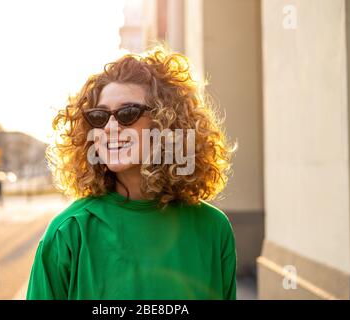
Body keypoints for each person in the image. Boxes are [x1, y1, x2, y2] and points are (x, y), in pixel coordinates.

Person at [26, 45, 238, 300]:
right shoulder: (69, 232)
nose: (111, 127)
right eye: (99, 116)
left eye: (128, 113)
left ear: (165, 121)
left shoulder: (213, 228)